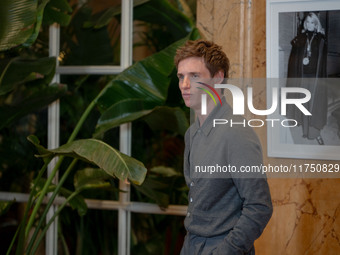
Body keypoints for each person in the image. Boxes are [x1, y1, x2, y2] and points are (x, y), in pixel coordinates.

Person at [175, 39, 273, 255]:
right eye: (181, 77)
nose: (184, 84)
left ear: (218, 78)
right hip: (191, 245)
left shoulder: (236, 133)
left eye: (194, 76)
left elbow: (259, 207)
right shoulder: (192, 134)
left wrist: (225, 251)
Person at [286, 12, 328, 145]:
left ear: (316, 24)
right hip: (302, 77)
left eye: (312, 22)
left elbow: (322, 63)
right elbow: (294, 61)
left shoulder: (321, 40)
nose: (309, 25)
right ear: (305, 23)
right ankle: (305, 132)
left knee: (314, 105)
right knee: (304, 104)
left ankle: (315, 133)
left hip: (315, 79)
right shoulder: (300, 38)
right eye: (307, 22)